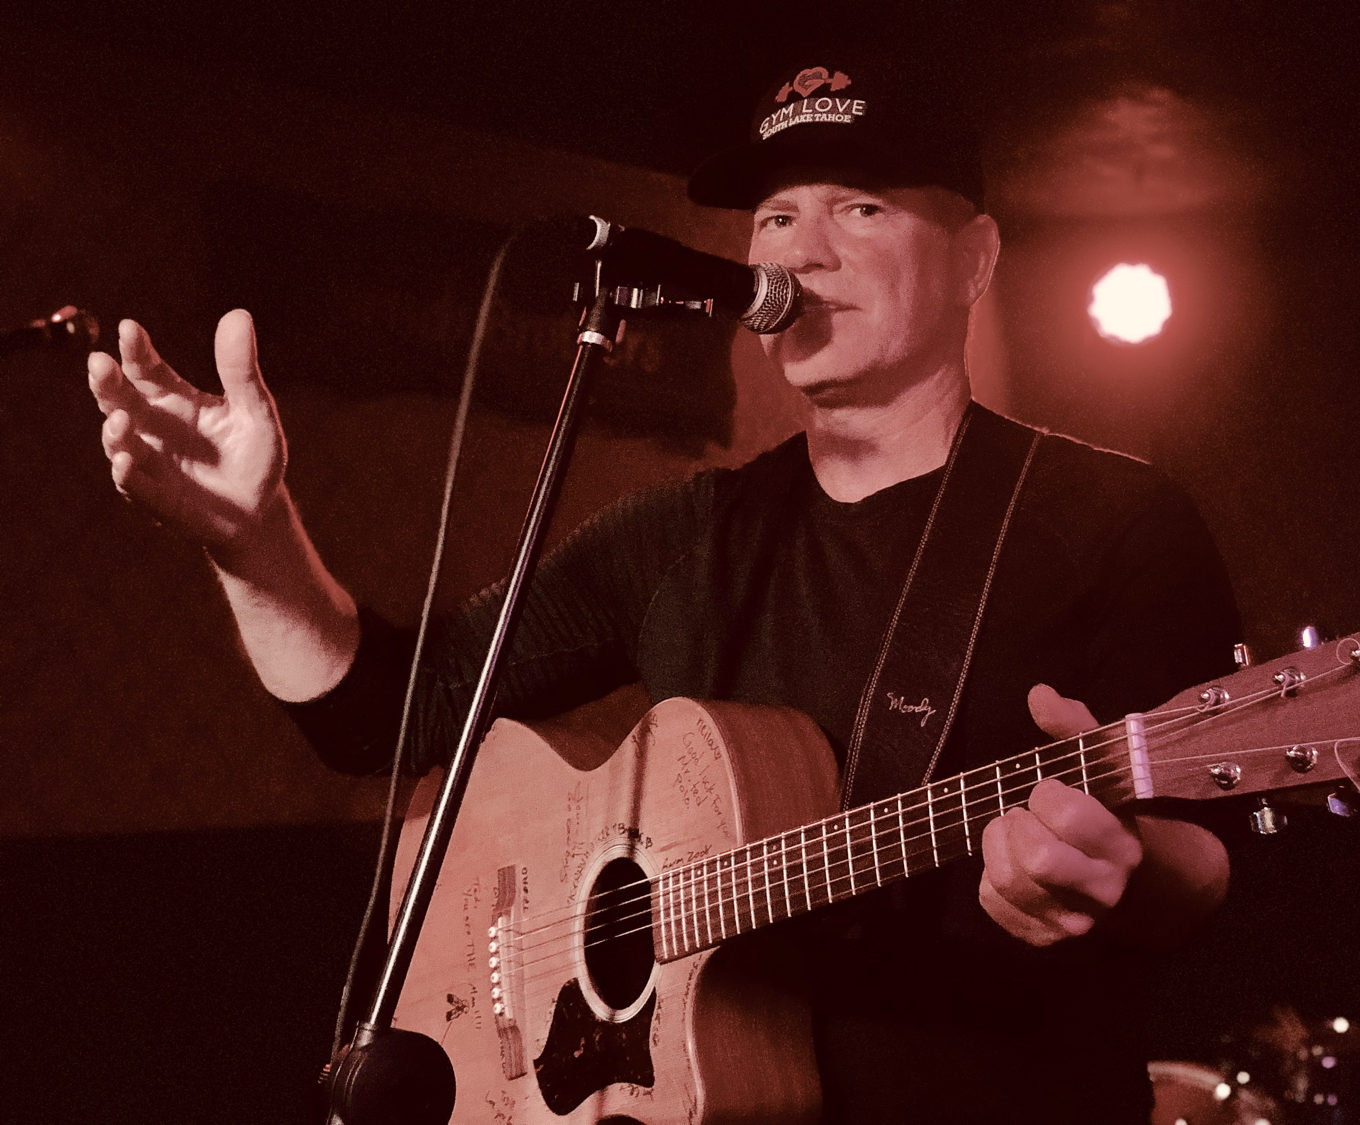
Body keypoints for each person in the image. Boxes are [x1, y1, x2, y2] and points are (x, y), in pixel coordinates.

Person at [87, 57, 1239, 1124]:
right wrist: (255, 540)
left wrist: (1124, 876)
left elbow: (1213, 848)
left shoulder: (1113, 522)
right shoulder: (682, 534)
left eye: (861, 206)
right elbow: (388, 717)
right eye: (777, 217)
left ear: (976, 257)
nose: (800, 251)